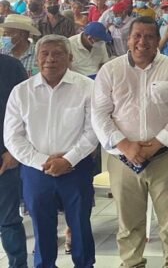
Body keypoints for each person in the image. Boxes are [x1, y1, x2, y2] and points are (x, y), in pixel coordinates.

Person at [92, 16, 168, 268]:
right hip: (123, 159)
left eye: (149, 36)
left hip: (165, 156)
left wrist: (157, 143)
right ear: (128, 39)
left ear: (158, 40)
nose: (142, 41)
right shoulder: (111, 70)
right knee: (129, 222)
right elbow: (99, 113)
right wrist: (125, 145)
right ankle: (132, 263)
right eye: (137, 35)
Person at [4, 35, 98, 268]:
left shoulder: (87, 87)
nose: (50, 59)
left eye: (57, 53)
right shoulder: (21, 91)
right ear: (37, 59)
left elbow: (93, 131)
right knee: (42, 228)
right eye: (44, 54)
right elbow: (13, 137)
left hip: (76, 168)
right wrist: (43, 161)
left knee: (80, 226)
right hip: (36, 171)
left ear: (70, 58)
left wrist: (68, 160)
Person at [0, 52, 28, 268]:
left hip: (5, 158)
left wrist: (13, 152)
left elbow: (27, 111)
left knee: (8, 221)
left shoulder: (10, 66)